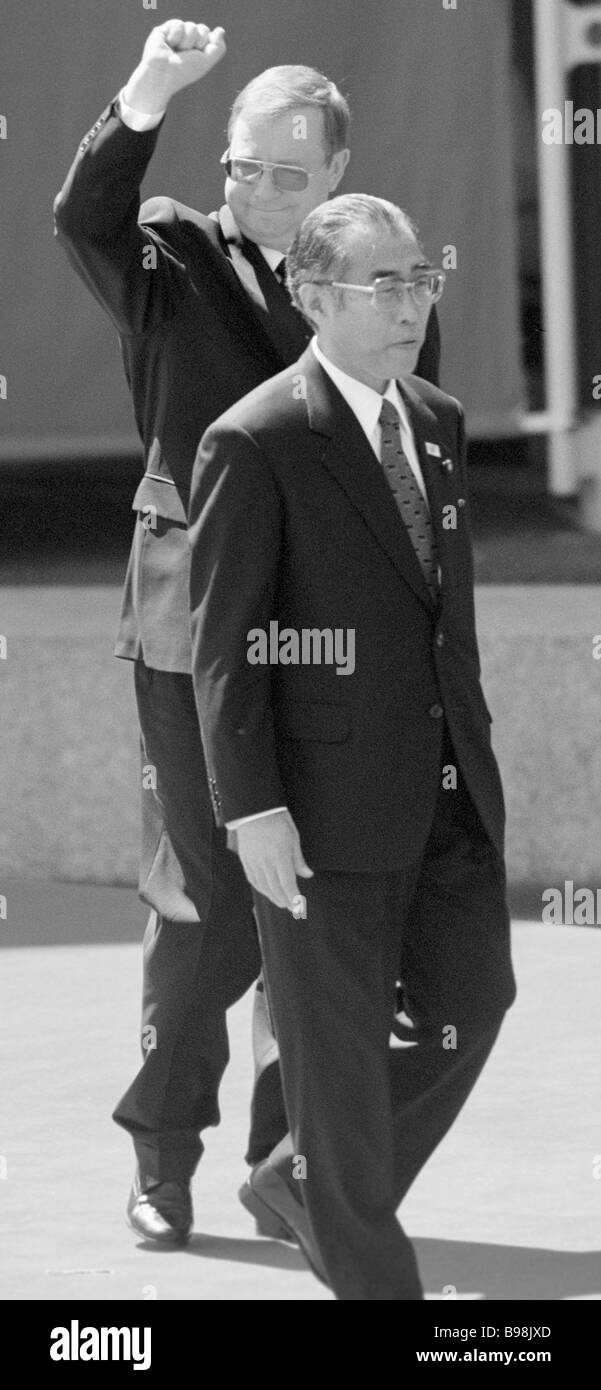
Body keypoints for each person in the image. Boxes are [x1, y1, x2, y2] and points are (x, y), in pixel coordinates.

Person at [53, 20, 441, 1247]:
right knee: (208, 907)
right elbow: (85, 217)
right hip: (193, 630)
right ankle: (161, 1151)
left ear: (334, 175)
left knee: (323, 917)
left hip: (333, 639)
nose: (260, 192)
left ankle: (293, 1160)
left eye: (289, 172)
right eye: (242, 167)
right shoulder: (168, 252)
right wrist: (151, 92)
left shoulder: (369, 274)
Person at [188, 193, 517, 1299]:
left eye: (421, 277)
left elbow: (439, 618)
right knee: (332, 1066)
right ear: (316, 297)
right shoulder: (257, 437)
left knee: (472, 1009)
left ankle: (302, 1175)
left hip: (444, 795)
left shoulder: (436, 417)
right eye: (385, 284)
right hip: (318, 815)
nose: (412, 302)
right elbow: (224, 650)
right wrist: (252, 809)